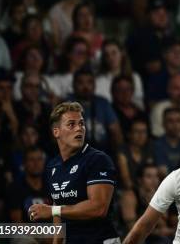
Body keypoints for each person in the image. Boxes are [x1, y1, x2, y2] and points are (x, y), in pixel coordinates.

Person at [28, 102, 120, 243]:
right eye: (71, 124)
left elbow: (99, 208)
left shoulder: (98, 160)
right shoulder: (52, 167)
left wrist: (53, 210)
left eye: (82, 123)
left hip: (100, 240)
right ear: (56, 132)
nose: (79, 128)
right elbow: (58, 218)